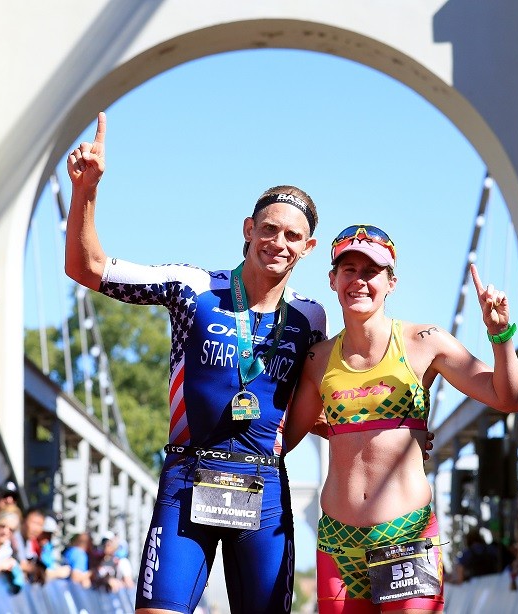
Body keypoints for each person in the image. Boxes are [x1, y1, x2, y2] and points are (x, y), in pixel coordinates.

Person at [64, 112, 327, 613]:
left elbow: (315, 405)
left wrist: (388, 434)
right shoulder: (194, 287)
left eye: (293, 237)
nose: (279, 243)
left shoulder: (310, 317)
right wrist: (86, 191)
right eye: (269, 229)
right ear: (248, 229)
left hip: (264, 486)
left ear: (308, 247)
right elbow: (87, 267)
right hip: (189, 477)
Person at [283, 224, 518, 612]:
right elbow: (282, 438)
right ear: (332, 280)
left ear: (391, 283)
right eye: (349, 270)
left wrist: (500, 335)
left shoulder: (424, 342)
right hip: (337, 542)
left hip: (406, 535)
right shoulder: (317, 360)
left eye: (371, 271)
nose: (359, 281)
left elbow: (507, 398)